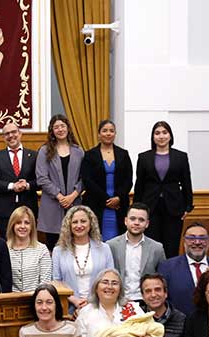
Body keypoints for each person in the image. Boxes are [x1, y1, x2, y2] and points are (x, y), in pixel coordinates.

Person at [133, 121, 193, 259]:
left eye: (165, 133)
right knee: (152, 246)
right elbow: (139, 184)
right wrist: (137, 208)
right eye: (157, 133)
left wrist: (188, 206)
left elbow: (186, 182)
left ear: (170, 136)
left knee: (171, 246)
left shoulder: (181, 157)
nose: (161, 136)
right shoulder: (144, 157)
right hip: (150, 207)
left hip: (174, 207)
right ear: (153, 137)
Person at [157, 222, 209, 317]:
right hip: (180, 327)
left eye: (202, 238)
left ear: (208, 242)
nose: (197, 242)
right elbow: (162, 301)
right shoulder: (166, 268)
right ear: (184, 242)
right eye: (191, 238)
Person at [51, 206, 114, 314]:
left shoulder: (104, 248)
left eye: (83, 221)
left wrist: (90, 302)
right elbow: (56, 282)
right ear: (69, 226)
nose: (79, 225)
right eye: (75, 222)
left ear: (91, 224)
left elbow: (110, 279)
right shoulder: (58, 251)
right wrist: (74, 301)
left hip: (99, 308)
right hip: (68, 308)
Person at [36, 114, 84, 249]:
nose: (60, 129)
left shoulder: (78, 151)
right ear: (52, 130)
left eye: (62, 126)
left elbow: (84, 177)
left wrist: (73, 196)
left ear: (68, 128)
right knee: (54, 246)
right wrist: (60, 196)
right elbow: (41, 178)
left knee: (75, 245)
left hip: (74, 203)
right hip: (52, 204)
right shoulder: (44, 151)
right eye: (56, 127)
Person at [81, 119, 132, 242]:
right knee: (96, 239)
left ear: (115, 134)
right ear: (99, 134)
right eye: (104, 131)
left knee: (117, 241)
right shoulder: (89, 155)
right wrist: (106, 199)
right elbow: (87, 180)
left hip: (119, 206)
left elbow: (128, 180)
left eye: (111, 131)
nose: (108, 133)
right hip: (96, 204)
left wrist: (118, 198)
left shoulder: (123, 154)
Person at [0, 122, 39, 238]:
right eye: (7, 134)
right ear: (3, 138)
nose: (11, 136)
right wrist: (11, 186)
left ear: (20, 134)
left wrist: (28, 185)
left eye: (14, 132)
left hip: (28, 207)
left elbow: (40, 180)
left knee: (29, 242)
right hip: (4, 210)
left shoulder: (34, 155)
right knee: (6, 244)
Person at [107, 203, 166, 302]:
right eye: (133, 219)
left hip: (146, 301)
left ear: (147, 224)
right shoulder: (111, 245)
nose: (136, 223)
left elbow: (162, 277)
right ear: (126, 221)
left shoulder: (157, 248)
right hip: (118, 299)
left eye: (141, 220)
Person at [6, 206, 52, 292]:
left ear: (32, 226)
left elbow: (45, 283)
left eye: (27, 223)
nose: (23, 226)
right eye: (18, 223)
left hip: (35, 301)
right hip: (10, 302)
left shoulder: (42, 250)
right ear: (12, 225)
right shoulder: (4, 249)